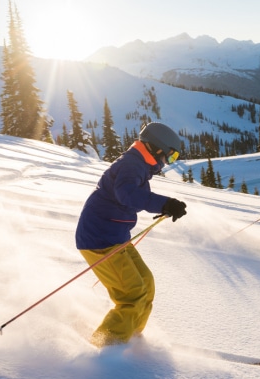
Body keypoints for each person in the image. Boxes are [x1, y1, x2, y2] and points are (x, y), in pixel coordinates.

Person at [75, 122, 187, 347]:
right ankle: (107, 346)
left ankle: (131, 335)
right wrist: (165, 203)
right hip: (99, 240)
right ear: (156, 149)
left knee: (146, 282)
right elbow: (128, 195)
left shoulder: (139, 165)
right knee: (132, 295)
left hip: (113, 238)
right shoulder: (131, 166)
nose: (168, 162)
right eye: (170, 156)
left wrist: (165, 205)